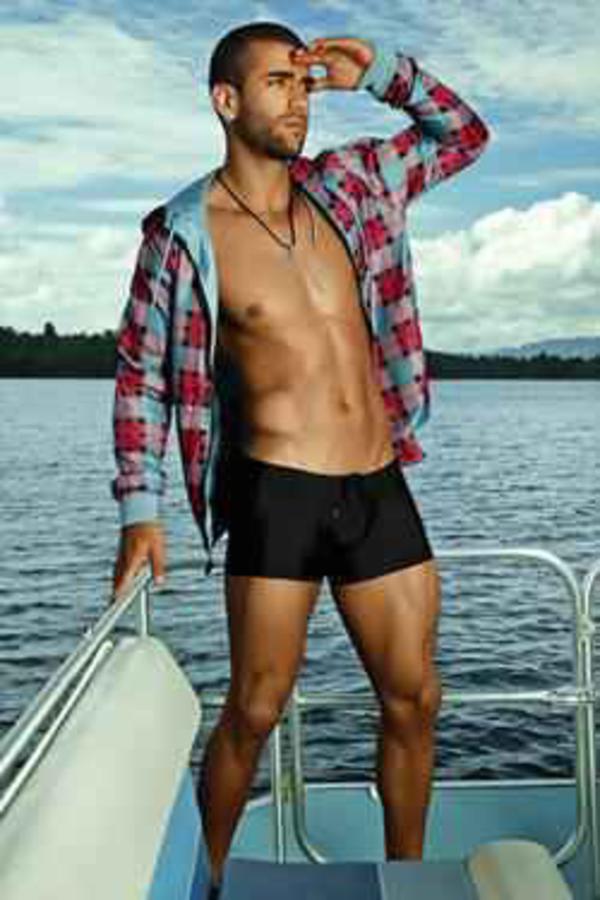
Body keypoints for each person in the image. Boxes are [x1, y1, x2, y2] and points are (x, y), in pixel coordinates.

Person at [110, 20, 490, 898]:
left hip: (377, 482)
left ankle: (406, 880)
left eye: (305, 83)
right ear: (226, 100)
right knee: (253, 710)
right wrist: (141, 512)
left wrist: (385, 73)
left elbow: (464, 136)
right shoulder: (182, 234)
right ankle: (205, 886)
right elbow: (141, 376)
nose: (299, 100)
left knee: (415, 698)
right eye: (277, 83)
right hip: (276, 491)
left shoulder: (355, 185)